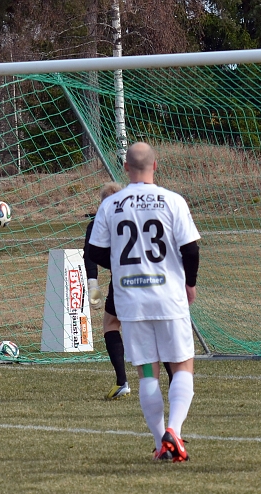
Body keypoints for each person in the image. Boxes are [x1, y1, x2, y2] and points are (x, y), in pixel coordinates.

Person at [87, 142, 201, 462]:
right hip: (168, 298)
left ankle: (159, 443)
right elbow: (191, 250)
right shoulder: (172, 200)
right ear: (156, 166)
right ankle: (174, 432)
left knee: (148, 372)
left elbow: (94, 251)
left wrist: (124, 268)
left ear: (126, 168)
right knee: (182, 367)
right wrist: (189, 284)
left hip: (131, 300)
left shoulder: (112, 204)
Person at [84, 182, 174, 401]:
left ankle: (122, 381)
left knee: (111, 324)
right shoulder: (143, 215)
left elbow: (91, 254)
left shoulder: (100, 221)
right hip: (155, 279)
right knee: (156, 329)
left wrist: (93, 283)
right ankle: (174, 382)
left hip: (124, 281)